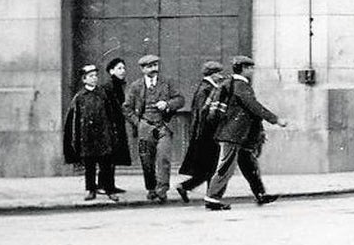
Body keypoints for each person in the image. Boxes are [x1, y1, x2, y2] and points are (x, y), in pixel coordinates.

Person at [205, 55, 287, 210]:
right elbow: (254, 106)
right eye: (250, 68)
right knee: (227, 166)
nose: (252, 71)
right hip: (233, 133)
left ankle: (260, 194)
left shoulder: (232, 83)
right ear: (243, 69)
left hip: (238, 134)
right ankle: (212, 197)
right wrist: (276, 120)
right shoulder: (240, 85)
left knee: (249, 164)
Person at [123, 53, 184, 203]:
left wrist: (167, 105)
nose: (153, 69)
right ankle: (151, 188)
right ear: (143, 69)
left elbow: (180, 99)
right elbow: (127, 108)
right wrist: (138, 123)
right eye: (149, 67)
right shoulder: (135, 86)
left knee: (163, 158)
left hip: (163, 126)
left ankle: (162, 190)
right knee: (146, 159)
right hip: (144, 127)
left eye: (155, 66)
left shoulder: (167, 82)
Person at [63, 64, 119, 202]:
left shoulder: (103, 94)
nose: (94, 79)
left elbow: (110, 115)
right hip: (87, 137)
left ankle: (110, 190)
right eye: (91, 76)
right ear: (84, 79)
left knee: (106, 165)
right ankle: (90, 190)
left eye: (95, 76)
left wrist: (111, 133)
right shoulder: (80, 97)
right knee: (89, 166)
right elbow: (74, 119)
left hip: (103, 135)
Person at [176, 60, 227, 202]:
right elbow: (202, 114)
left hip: (205, 134)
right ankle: (210, 195)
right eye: (218, 73)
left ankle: (187, 187)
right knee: (211, 168)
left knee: (207, 169)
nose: (221, 76)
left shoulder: (206, 87)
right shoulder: (206, 89)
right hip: (207, 134)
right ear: (213, 74)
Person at [100, 57, 130, 195]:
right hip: (109, 125)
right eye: (119, 68)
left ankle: (109, 185)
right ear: (111, 71)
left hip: (116, 124)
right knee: (108, 156)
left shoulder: (118, 85)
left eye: (123, 68)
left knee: (112, 156)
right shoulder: (109, 86)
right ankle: (104, 185)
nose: (122, 71)